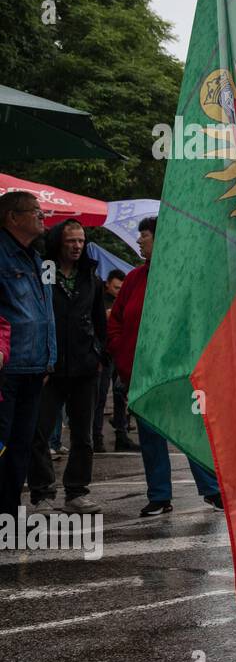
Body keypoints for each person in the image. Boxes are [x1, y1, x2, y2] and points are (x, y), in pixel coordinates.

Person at [107, 217, 223, 516]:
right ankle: (159, 496)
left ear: (161, 238)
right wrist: (122, 353)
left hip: (178, 372)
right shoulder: (133, 279)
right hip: (142, 373)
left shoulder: (183, 276)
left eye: (143, 236)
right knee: (150, 435)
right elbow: (116, 320)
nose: (139, 241)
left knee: (190, 431)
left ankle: (211, 490)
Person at [27, 219, 106, 513]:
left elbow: (100, 321)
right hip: (49, 368)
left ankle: (76, 492)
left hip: (85, 369)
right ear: (59, 242)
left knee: (83, 435)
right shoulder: (43, 271)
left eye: (81, 241)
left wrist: (98, 353)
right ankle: (42, 493)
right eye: (71, 240)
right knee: (39, 432)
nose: (77, 246)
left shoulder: (90, 276)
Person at [0, 191, 56, 518]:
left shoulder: (34, 258)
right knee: (3, 445)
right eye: (35, 211)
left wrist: (49, 358)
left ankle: (8, 514)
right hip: (8, 367)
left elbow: (44, 313)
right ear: (13, 217)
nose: (42, 216)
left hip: (34, 367)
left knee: (21, 447)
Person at [94, 268, 135, 453]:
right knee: (100, 397)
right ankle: (97, 438)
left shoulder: (124, 299)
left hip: (117, 353)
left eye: (121, 288)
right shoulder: (99, 299)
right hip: (102, 353)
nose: (119, 291)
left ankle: (121, 434)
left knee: (120, 395)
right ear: (108, 284)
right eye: (116, 287)